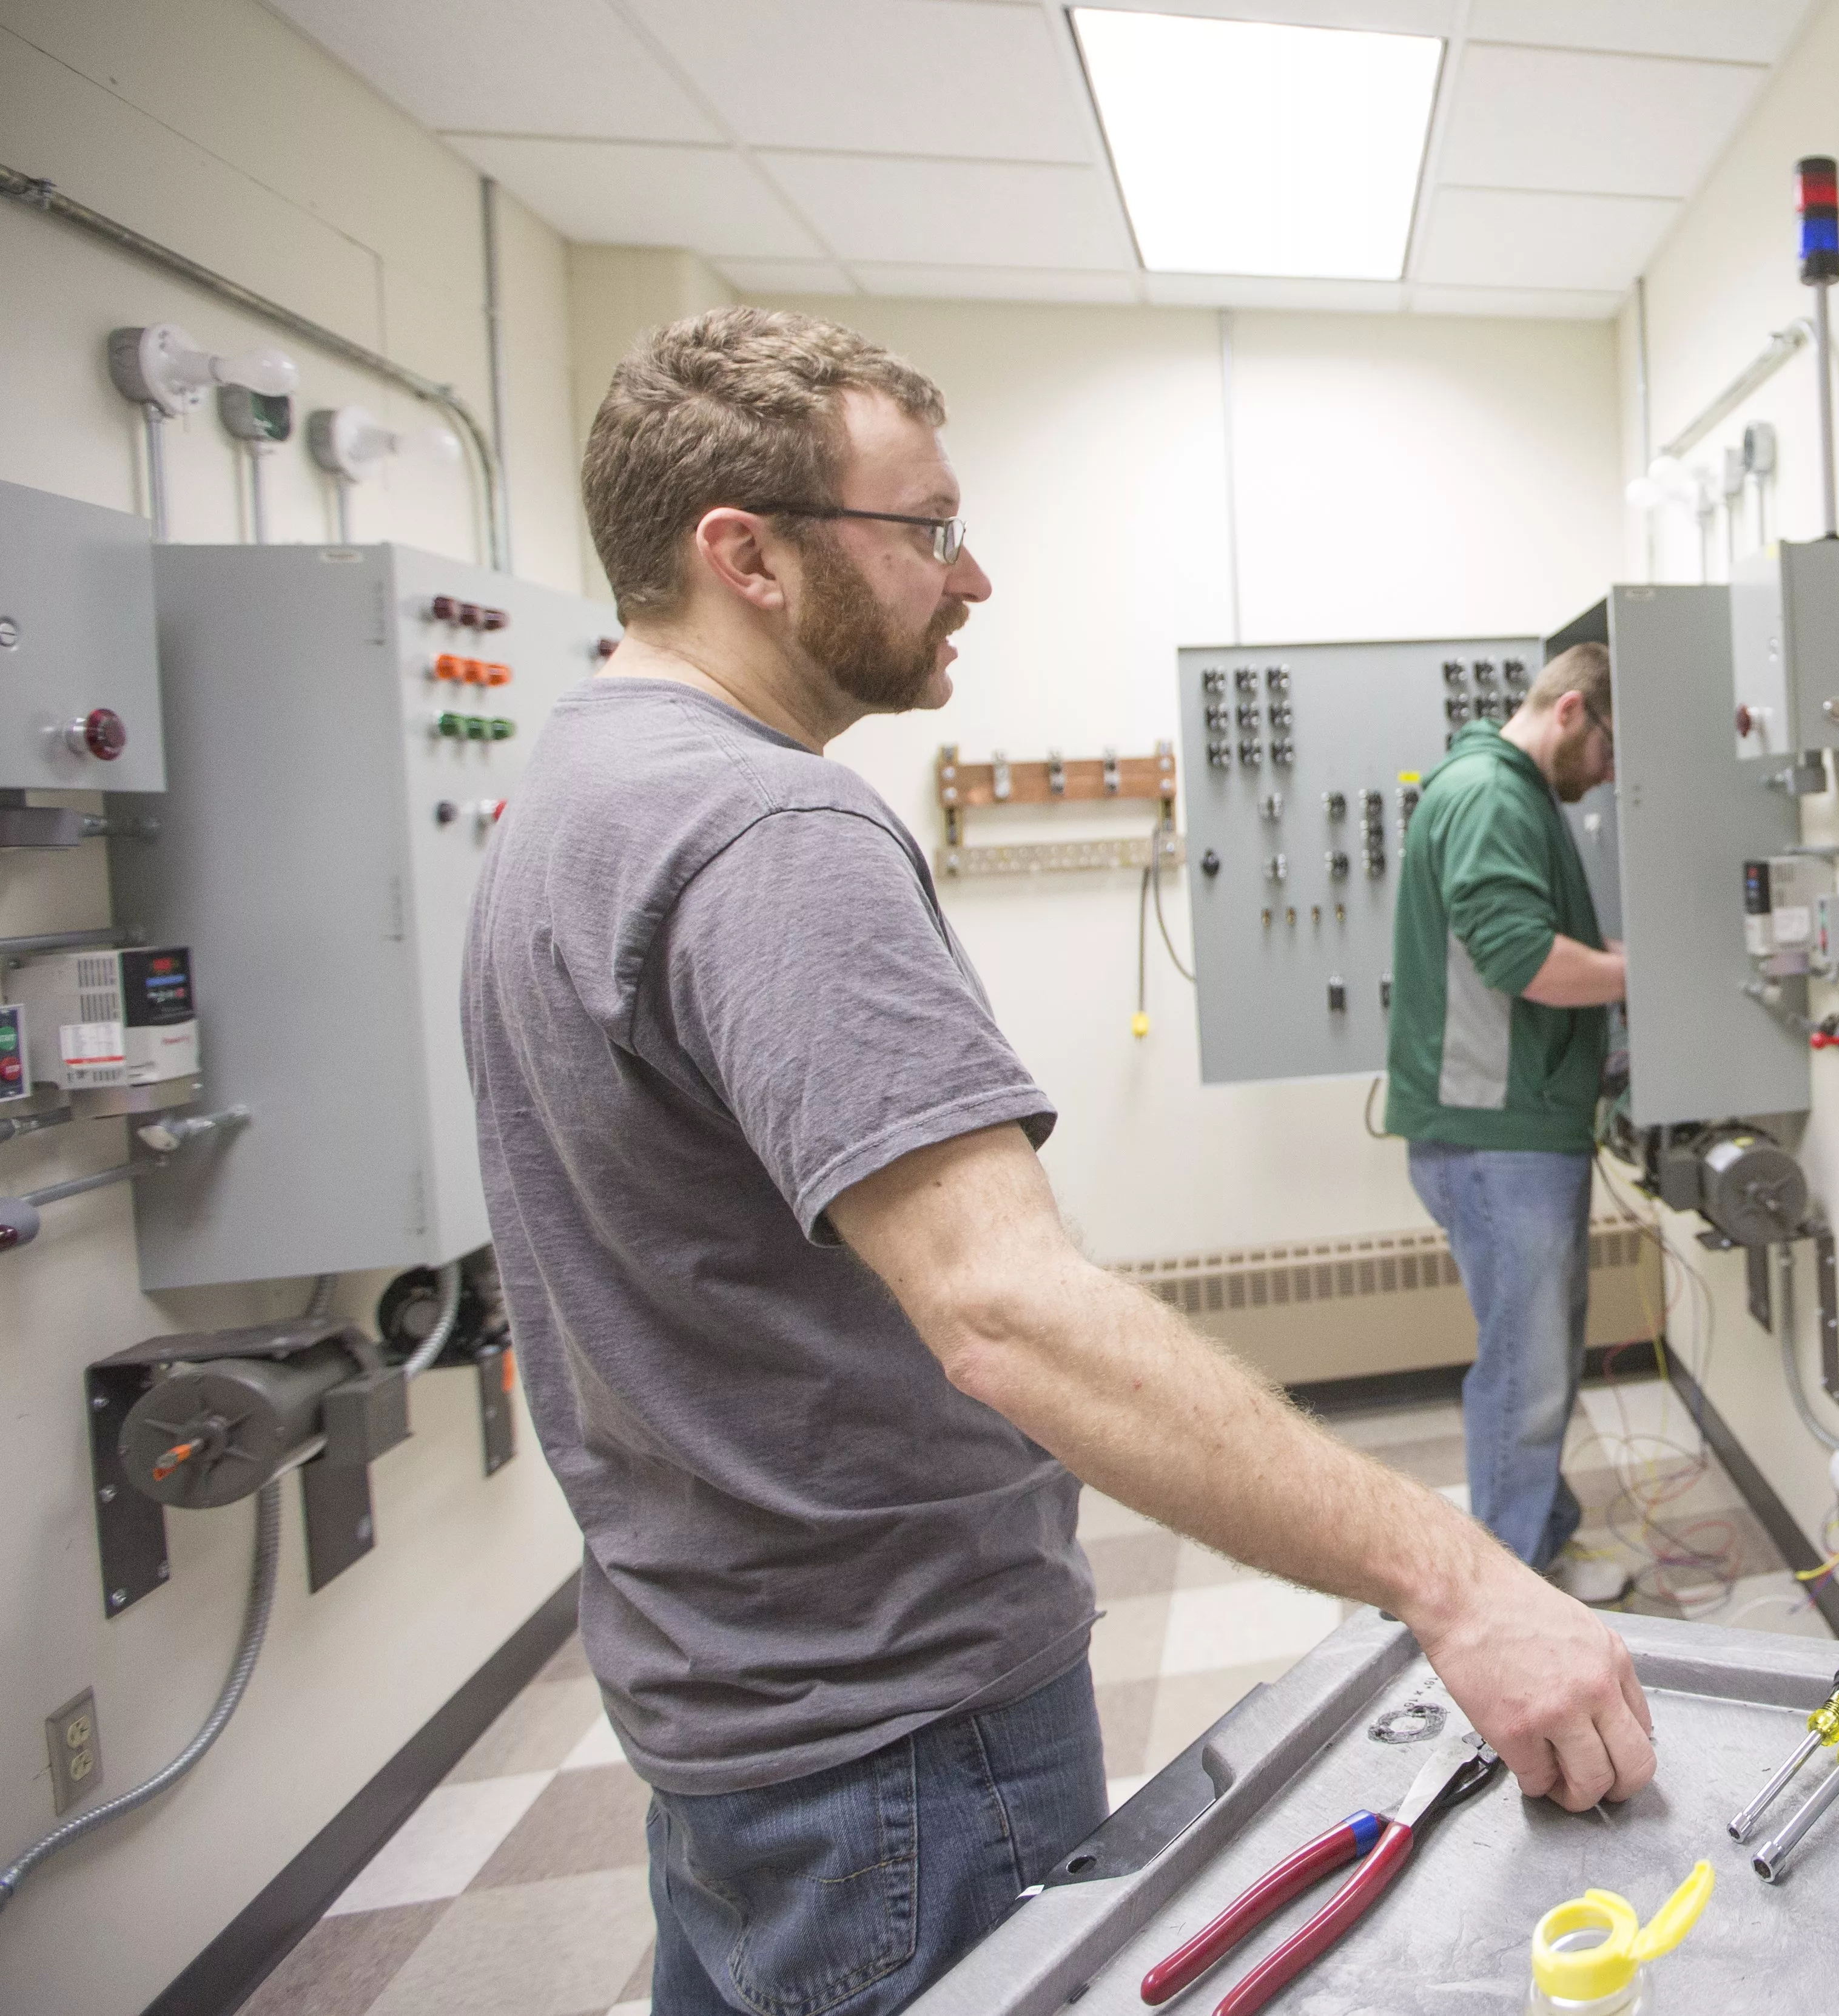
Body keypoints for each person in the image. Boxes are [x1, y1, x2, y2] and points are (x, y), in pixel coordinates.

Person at [463, 309, 1652, 2016]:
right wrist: (1458, 1575)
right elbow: (1004, 1309)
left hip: (724, 1696)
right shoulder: (770, 829)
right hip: (893, 1736)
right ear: (747, 556)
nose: (972, 577)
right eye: (926, 529)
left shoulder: (572, 790)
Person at [1383, 645, 1632, 1602]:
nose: (1606, 775)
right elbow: (1523, 958)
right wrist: (1644, 973)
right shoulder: (1491, 793)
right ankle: (1507, 1591)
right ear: (1570, 711)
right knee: (1524, 1376)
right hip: (1496, 1136)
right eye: (1608, 750)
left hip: (1517, 1128)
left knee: (1539, 1358)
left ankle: (1542, 1539)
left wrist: (1614, 955)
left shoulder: (1509, 789)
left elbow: (1539, 935)